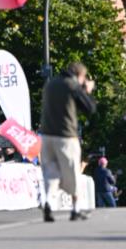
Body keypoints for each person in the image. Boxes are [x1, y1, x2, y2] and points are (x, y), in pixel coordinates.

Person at [40, 61, 97, 222]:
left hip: (46, 135)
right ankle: (75, 209)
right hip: (66, 136)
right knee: (72, 173)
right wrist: (87, 90)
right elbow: (89, 108)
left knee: (51, 173)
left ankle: (48, 203)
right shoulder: (72, 85)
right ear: (80, 75)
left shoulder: (51, 84)